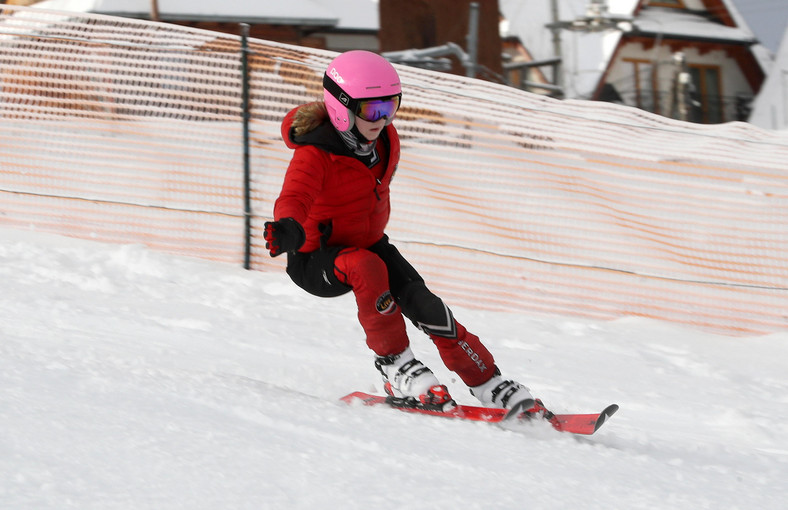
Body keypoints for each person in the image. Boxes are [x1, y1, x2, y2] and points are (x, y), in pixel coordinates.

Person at [264, 50, 546, 415]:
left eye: (390, 106)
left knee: (425, 303)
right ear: (341, 107)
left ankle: (488, 382)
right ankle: (395, 365)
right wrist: (288, 226)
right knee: (366, 267)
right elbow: (295, 195)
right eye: (372, 110)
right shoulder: (315, 154)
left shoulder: (383, 141)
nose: (382, 119)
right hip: (316, 259)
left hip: (369, 244)